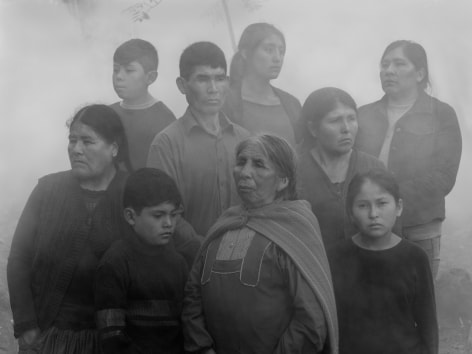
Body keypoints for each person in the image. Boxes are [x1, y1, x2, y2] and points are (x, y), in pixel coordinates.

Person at [182, 134, 338, 354]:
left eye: (259, 165)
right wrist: (202, 348)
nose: (244, 172)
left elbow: (311, 319)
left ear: (283, 180)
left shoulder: (295, 228)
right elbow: (193, 295)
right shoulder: (224, 225)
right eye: (240, 162)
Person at [7, 104, 132, 353]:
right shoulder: (47, 191)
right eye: (72, 140)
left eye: (87, 141)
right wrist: (27, 326)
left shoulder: (133, 194)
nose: (76, 149)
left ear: (114, 149)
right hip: (47, 338)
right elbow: (19, 258)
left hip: (113, 342)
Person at [355, 40, 462, 278]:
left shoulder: (441, 115)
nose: (388, 70)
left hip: (419, 226)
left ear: (420, 73)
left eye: (399, 63)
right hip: (367, 224)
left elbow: (444, 177)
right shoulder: (363, 114)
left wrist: (389, 198)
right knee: (370, 299)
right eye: (384, 64)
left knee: (415, 302)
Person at [329, 169, 438, 354]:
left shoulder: (415, 257)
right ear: (350, 212)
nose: (373, 214)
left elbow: (427, 323)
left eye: (382, 203)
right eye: (363, 205)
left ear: (399, 207)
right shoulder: (336, 256)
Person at [147, 41, 250, 236]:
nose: (213, 88)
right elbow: (164, 214)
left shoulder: (244, 139)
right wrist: (202, 250)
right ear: (182, 85)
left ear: (227, 82)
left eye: (219, 78)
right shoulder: (166, 144)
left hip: (244, 254)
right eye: (202, 79)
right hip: (191, 259)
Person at [95, 168, 188, 354]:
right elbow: (112, 336)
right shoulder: (115, 263)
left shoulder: (178, 264)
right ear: (130, 216)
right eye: (158, 215)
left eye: (173, 214)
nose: (168, 223)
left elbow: (185, 326)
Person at [297, 87, 384, 249]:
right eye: (335, 121)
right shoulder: (295, 171)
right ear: (313, 129)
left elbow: (391, 228)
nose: (346, 128)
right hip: (313, 266)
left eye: (351, 118)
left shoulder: (373, 168)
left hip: (367, 265)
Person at [222, 22, 302, 146]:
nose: (277, 58)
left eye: (281, 51)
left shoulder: (292, 104)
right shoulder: (226, 102)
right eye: (269, 50)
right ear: (245, 53)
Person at [111, 38, 176, 170]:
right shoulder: (108, 114)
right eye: (116, 69)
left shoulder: (164, 119)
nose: (119, 76)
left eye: (129, 70)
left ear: (150, 77)